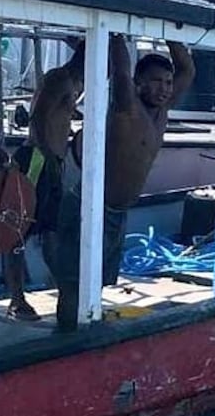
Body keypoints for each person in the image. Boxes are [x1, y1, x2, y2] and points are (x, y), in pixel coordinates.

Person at [47, 36, 195, 330]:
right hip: (90, 208)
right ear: (138, 83)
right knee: (74, 284)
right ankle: (65, 340)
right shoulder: (125, 107)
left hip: (116, 213)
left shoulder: (162, 111)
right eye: (156, 81)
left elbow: (187, 71)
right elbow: (121, 69)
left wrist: (173, 33)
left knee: (97, 281)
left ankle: (84, 336)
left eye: (167, 82)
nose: (164, 88)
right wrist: (115, 35)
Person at [4, 40, 87, 321]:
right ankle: (17, 299)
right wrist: (46, 153)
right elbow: (37, 116)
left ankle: (65, 290)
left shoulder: (72, 85)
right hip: (38, 159)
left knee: (51, 231)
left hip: (52, 161)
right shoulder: (59, 79)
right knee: (18, 231)